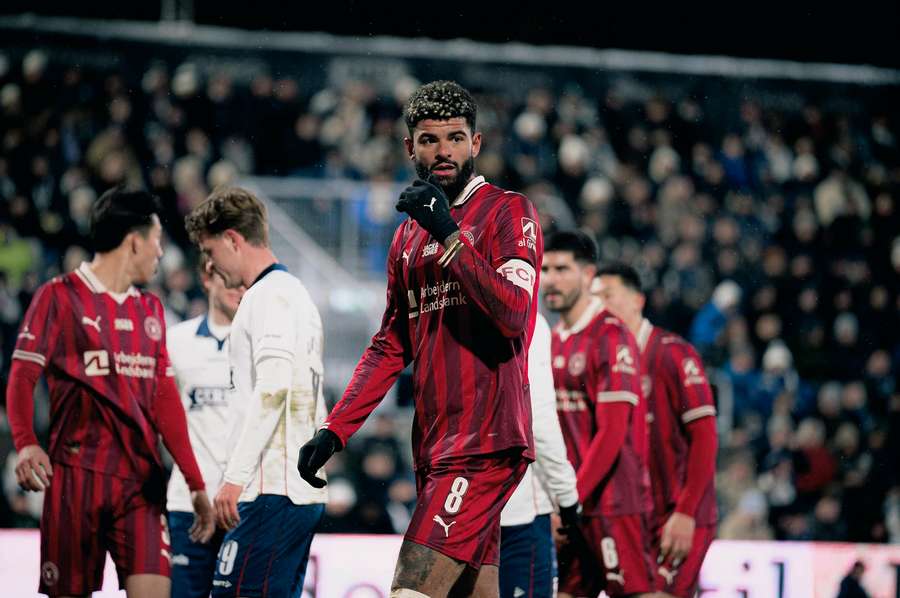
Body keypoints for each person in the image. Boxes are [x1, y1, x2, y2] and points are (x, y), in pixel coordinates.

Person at [297, 79, 543, 597]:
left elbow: (515, 315)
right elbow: (390, 345)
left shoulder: (507, 212)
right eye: (430, 140)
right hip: (435, 444)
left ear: (476, 144)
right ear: (410, 147)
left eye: (456, 138)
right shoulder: (407, 237)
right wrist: (335, 430)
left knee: (412, 589)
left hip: (484, 441)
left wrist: (449, 235)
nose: (444, 151)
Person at [6, 187, 214, 597]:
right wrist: (27, 443)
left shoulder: (150, 309)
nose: (159, 253)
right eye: (157, 241)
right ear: (135, 241)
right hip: (76, 478)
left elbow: (165, 400)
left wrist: (194, 481)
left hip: (141, 484)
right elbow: (22, 376)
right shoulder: (58, 296)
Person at [185, 186, 328, 598]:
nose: (210, 263)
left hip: (272, 489)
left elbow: (273, 389)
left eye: (211, 250)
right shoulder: (293, 294)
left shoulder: (270, 296)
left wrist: (233, 479)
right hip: (289, 488)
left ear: (232, 239)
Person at [594, 263, 718, 598]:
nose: (600, 306)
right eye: (595, 298)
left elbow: (705, 437)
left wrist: (686, 512)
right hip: (633, 517)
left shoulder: (673, 353)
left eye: (608, 295)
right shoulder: (603, 361)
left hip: (679, 513)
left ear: (638, 300)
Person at [541, 231, 654, 598]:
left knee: (636, 592)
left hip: (612, 501)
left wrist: (570, 499)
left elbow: (612, 433)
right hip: (570, 503)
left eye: (562, 269)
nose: (550, 279)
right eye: (544, 269)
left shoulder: (611, 336)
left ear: (589, 275)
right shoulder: (551, 339)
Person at [166, 258, 245, 598]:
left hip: (243, 505)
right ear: (207, 279)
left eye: (244, 283)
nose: (238, 290)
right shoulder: (175, 341)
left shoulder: (261, 344)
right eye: (229, 280)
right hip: (188, 503)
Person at [499, 312, 580, 598]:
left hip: (459, 507)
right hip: (520, 508)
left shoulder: (448, 313)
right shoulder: (527, 318)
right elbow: (539, 419)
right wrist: (568, 499)